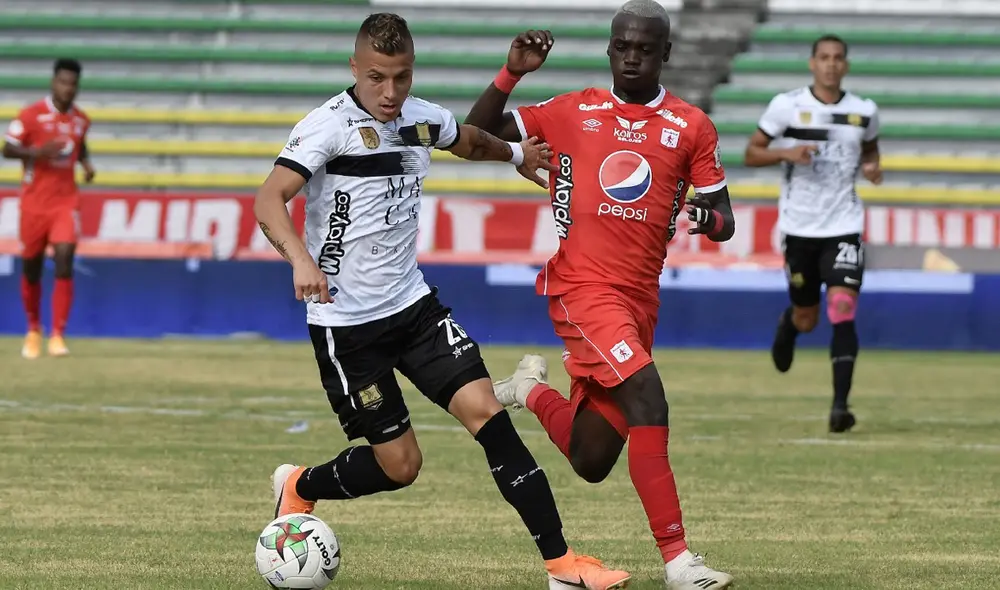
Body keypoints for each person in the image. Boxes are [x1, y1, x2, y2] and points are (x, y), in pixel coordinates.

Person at [253, 13, 631, 590]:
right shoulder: (326, 127)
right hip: (348, 326)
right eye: (376, 77)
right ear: (354, 68)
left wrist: (517, 155)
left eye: (401, 77)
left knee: (490, 416)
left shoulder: (422, 118)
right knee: (402, 466)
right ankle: (300, 485)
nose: (390, 92)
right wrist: (301, 260)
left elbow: (469, 139)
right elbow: (269, 199)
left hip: (415, 308)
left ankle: (561, 566)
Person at [464, 1, 735, 588]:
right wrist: (511, 74)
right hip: (582, 288)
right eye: (623, 47)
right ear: (610, 49)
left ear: (666, 54)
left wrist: (705, 218)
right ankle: (679, 562)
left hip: (639, 303)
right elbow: (475, 134)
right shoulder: (572, 110)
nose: (632, 57)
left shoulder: (691, 126)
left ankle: (529, 389)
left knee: (591, 458)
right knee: (649, 399)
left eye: (645, 49)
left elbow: (724, 219)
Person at [743, 34, 882, 433]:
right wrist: (786, 153)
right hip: (799, 228)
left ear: (846, 65)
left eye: (838, 58)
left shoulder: (864, 111)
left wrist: (873, 167)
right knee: (808, 318)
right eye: (824, 57)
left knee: (842, 306)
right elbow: (751, 153)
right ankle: (790, 323)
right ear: (812, 63)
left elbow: (870, 150)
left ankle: (840, 407)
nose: (831, 64)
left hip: (844, 225)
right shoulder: (786, 106)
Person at [3, 58, 95, 359]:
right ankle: (33, 330)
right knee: (32, 268)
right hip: (34, 203)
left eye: (73, 84)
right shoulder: (30, 116)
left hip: (65, 202)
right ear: (53, 83)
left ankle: (57, 335)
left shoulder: (81, 120)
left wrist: (85, 164)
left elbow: (79, 143)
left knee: (65, 257)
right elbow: (7, 148)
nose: (67, 89)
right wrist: (36, 152)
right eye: (63, 82)